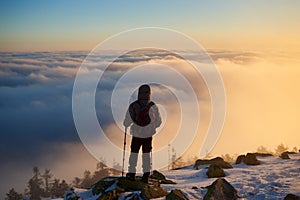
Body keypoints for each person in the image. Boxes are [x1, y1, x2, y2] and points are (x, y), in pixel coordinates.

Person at [123, 84, 162, 182]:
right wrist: (151, 127)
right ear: (149, 93)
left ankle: (131, 173)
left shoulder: (134, 105)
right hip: (148, 134)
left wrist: (127, 124)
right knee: (146, 154)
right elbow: (158, 122)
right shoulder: (153, 106)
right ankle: (146, 174)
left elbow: (127, 121)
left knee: (134, 153)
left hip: (137, 133)